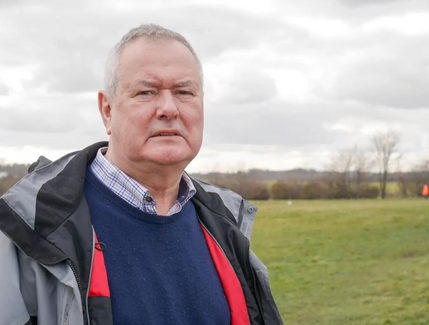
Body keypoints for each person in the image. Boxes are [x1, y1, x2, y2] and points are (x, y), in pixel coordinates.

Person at [0, 24, 283, 325]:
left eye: (184, 92)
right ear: (107, 111)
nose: (169, 109)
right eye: (146, 92)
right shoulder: (27, 228)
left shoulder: (225, 224)